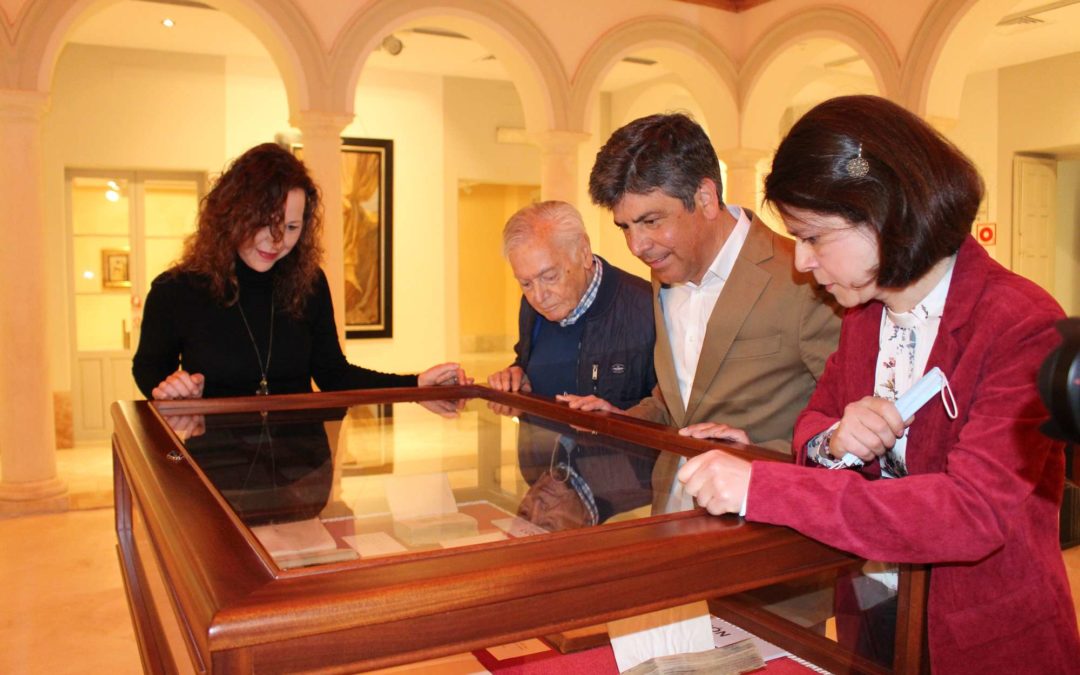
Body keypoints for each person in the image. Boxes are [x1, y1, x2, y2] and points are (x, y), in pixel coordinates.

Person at [677, 95, 1080, 672]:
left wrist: (762, 489)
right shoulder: (863, 314)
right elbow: (811, 426)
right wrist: (835, 439)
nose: (802, 263)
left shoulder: (1018, 321)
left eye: (814, 237)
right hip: (873, 609)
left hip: (983, 634)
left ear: (885, 214)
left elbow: (970, 512)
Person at [569, 113, 840, 459]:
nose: (637, 246)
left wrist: (757, 456)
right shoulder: (665, 267)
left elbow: (844, 428)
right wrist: (625, 421)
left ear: (706, 198)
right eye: (625, 227)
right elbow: (681, 402)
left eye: (651, 221)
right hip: (675, 506)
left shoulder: (803, 277)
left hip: (763, 507)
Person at [133, 142, 469, 400]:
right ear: (231, 214)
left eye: (292, 227)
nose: (277, 241)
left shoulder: (308, 284)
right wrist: (170, 387)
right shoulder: (176, 290)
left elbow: (333, 375)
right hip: (215, 465)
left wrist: (416, 383)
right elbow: (149, 370)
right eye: (265, 223)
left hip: (300, 471)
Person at [487, 200, 656, 410]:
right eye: (525, 283)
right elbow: (527, 361)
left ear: (584, 253)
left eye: (549, 276)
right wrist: (517, 374)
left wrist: (620, 418)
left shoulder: (648, 309)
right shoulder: (530, 308)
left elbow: (671, 414)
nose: (538, 297)